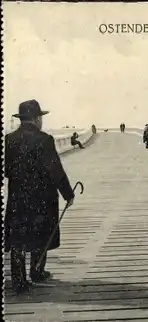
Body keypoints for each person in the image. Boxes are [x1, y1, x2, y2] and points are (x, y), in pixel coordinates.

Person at [4, 100, 76, 294]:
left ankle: (18, 281)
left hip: (18, 197)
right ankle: (36, 271)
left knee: (19, 238)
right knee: (41, 233)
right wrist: (68, 194)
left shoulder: (9, 139)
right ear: (37, 119)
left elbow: (7, 170)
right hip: (41, 197)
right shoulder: (44, 140)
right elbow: (55, 170)